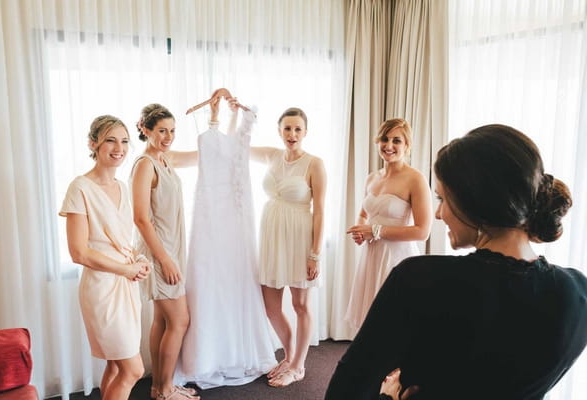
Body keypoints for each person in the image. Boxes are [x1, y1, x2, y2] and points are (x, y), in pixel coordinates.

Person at [325, 124, 587, 399]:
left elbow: (347, 389)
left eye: (442, 198)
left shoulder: (420, 280)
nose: (438, 214)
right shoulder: (577, 293)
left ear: (474, 201)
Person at [175, 92, 276, 389]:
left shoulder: (242, 136)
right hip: (209, 219)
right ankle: (206, 356)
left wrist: (233, 116)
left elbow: (232, 144)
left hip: (235, 221)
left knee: (234, 282)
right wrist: (223, 115)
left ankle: (231, 352)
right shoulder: (215, 136)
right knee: (208, 282)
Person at [60, 115, 151, 400]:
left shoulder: (122, 187)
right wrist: (125, 269)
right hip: (101, 288)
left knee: (115, 364)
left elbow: (124, 241)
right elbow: (79, 252)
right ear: (93, 144)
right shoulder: (80, 188)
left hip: (126, 285)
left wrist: (139, 260)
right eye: (110, 140)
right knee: (133, 370)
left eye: (124, 141)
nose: (119, 148)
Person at [248, 106, 327, 387]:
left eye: (297, 129)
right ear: (279, 130)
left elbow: (319, 211)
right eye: (287, 128)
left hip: (300, 238)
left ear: (305, 132)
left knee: (301, 304)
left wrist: (314, 254)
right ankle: (290, 355)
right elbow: (238, 144)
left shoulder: (314, 163)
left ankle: (298, 365)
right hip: (271, 236)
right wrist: (237, 111)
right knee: (271, 306)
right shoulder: (271, 156)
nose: (292, 134)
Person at [130, 104, 200, 400]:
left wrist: (215, 120)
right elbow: (141, 218)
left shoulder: (165, 158)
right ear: (146, 130)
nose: (168, 136)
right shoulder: (145, 164)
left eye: (172, 131)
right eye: (162, 131)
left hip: (171, 249)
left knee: (162, 319)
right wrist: (165, 260)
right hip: (160, 253)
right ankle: (165, 388)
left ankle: (160, 388)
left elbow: (202, 156)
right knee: (179, 320)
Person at [345, 119, 432, 331]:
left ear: (407, 145)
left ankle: (397, 365)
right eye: (384, 139)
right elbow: (364, 213)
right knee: (372, 322)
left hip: (397, 257)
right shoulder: (372, 178)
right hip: (372, 255)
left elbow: (423, 231)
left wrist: (375, 230)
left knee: (395, 321)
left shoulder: (415, 179)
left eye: (396, 140)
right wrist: (359, 231)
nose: (389, 145)